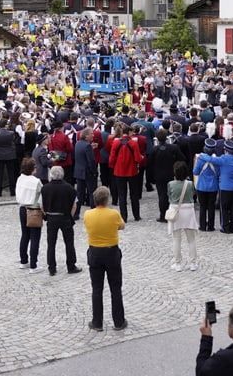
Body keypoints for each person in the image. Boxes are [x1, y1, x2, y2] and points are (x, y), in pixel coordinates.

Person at [83, 186, 126, 332]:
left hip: (95, 252)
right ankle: (119, 321)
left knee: (96, 288)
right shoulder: (113, 214)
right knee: (115, 288)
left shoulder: (88, 214)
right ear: (107, 199)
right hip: (111, 252)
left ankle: (97, 322)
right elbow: (122, 226)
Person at [40, 166, 81, 276]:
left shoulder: (45, 188)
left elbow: (41, 205)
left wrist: (46, 215)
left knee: (51, 243)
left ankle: (52, 267)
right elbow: (74, 205)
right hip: (65, 217)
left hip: (51, 218)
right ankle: (71, 265)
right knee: (69, 242)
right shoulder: (69, 188)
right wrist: (70, 217)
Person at [108, 125, 144, 223]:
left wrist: (113, 167)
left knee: (122, 195)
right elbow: (137, 158)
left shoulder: (115, 143)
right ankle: (136, 215)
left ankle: (124, 217)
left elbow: (111, 159)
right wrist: (141, 158)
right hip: (132, 171)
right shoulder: (133, 143)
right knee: (134, 195)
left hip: (119, 171)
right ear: (129, 132)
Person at [168, 160, 198, 271]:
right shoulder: (190, 184)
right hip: (189, 211)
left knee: (176, 239)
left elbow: (170, 197)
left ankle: (177, 263)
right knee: (191, 239)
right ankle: (193, 263)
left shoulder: (170, 184)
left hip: (176, 211)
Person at [15, 158, 44, 273]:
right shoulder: (36, 181)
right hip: (34, 210)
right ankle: (33, 265)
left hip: (22, 209)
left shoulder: (20, 179)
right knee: (35, 237)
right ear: (32, 168)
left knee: (25, 235)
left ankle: (24, 261)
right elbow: (43, 194)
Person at [214, 139, 233, 234]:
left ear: (225, 150)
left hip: (225, 187)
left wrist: (202, 155)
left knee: (224, 208)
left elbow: (211, 159)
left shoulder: (223, 159)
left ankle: (225, 227)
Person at [193, 139, 220, 232]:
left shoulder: (200, 159)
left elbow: (195, 172)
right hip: (213, 186)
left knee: (202, 206)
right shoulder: (216, 160)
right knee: (211, 206)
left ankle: (203, 225)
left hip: (201, 186)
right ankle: (211, 226)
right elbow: (219, 173)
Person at [0, 118, 18, 197]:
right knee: (11, 174)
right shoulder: (11, 133)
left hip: (0, 155)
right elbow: (14, 141)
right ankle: (12, 191)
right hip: (10, 155)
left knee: (0, 174)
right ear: (5, 125)